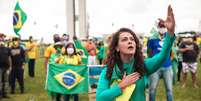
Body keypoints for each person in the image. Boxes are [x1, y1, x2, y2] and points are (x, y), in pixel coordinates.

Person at [96, 5, 175, 101]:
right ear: (117, 47)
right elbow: (100, 98)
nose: (130, 41)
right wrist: (121, 86)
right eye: (124, 39)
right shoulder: (108, 70)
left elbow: (162, 56)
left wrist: (170, 32)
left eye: (132, 39)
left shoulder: (143, 66)